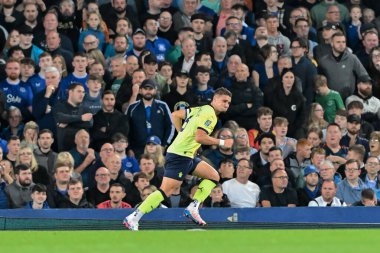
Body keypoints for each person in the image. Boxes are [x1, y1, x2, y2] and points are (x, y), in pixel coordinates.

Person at [124, 87, 233, 230]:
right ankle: (133, 217)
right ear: (214, 99)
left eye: (229, 102)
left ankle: (193, 208)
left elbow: (175, 114)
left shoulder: (200, 109)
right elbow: (200, 137)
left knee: (213, 176)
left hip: (186, 154)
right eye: (224, 101)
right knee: (165, 191)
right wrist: (223, 142)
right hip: (180, 156)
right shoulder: (210, 114)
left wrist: (182, 133)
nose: (226, 104)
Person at [53, 83, 93, 151]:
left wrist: (68, 122)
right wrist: (81, 118)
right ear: (70, 92)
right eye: (79, 91)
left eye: (83, 92)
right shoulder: (59, 106)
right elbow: (60, 118)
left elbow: (89, 123)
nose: (82, 94)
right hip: (64, 149)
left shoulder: (86, 109)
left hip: (81, 150)